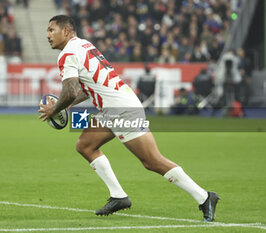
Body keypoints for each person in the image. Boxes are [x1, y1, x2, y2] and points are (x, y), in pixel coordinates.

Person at [39, 15, 219, 221]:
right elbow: (86, 89)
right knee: (85, 145)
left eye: (52, 30)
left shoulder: (67, 54)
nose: (48, 35)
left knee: (152, 161)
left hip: (120, 109)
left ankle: (204, 197)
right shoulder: (83, 45)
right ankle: (119, 196)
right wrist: (67, 104)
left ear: (67, 31)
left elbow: (70, 91)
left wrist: (55, 109)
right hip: (114, 106)